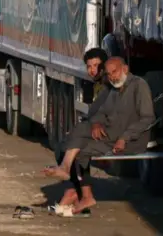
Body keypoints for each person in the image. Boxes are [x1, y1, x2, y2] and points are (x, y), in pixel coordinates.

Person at [43, 57, 155, 214]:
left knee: (80, 129)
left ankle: (66, 169)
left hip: (131, 141)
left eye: (114, 72)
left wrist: (125, 137)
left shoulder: (139, 86)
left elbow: (147, 118)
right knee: (79, 149)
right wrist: (96, 123)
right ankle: (86, 196)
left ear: (125, 69)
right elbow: (101, 111)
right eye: (108, 74)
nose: (112, 77)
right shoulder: (114, 88)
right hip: (110, 136)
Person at [52, 48, 109, 215]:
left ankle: (77, 193)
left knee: (71, 148)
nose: (93, 70)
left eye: (97, 65)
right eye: (89, 66)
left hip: (105, 131)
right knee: (65, 146)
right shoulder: (98, 84)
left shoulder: (107, 84)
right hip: (97, 128)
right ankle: (76, 193)